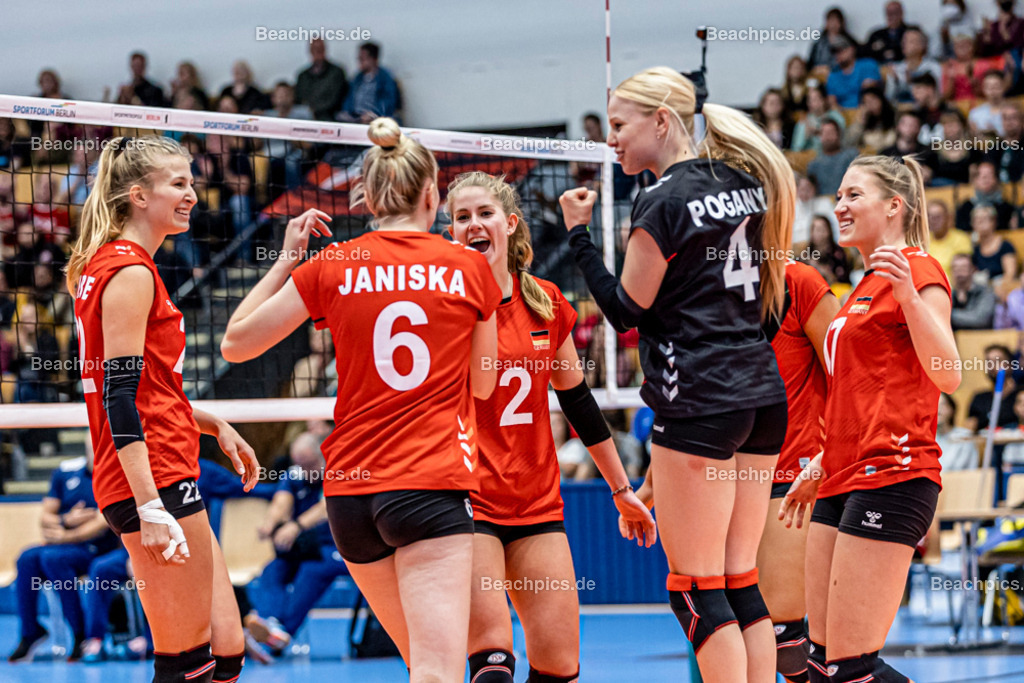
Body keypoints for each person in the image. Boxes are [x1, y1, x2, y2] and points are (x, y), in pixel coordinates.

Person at [220, 117, 502, 682]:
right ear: (433, 194)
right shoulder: (469, 266)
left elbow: (234, 342)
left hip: (349, 495)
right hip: (428, 483)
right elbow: (483, 383)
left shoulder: (337, 263)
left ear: (367, 198)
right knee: (438, 670)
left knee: (418, 663)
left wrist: (286, 259)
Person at [561, 65, 793, 682]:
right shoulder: (746, 182)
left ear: (661, 121)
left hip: (699, 399)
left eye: (618, 125)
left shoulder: (662, 200)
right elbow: (775, 298)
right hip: (762, 396)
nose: (610, 139)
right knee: (739, 576)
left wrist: (578, 237)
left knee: (694, 586)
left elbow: (624, 311)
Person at [446, 171, 655, 683]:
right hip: (467, 501)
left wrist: (621, 488)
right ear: (450, 231)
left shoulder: (544, 300)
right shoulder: (443, 303)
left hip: (536, 502)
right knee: (492, 667)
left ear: (510, 223)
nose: (473, 224)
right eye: (461, 217)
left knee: (559, 667)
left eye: (484, 213)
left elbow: (578, 401)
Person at [67, 134, 261, 683]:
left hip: (168, 462)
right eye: (178, 183)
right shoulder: (128, 274)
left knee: (226, 650)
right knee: (186, 663)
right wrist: (150, 506)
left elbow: (150, 388)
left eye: (192, 183)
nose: (192, 195)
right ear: (137, 195)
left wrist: (215, 423)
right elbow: (119, 397)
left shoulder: (118, 265)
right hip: (151, 476)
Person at [780, 154, 960, 683]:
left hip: (894, 474)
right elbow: (854, 392)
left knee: (850, 669)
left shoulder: (917, 269)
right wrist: (820, 459)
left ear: (894, 206)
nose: (839, 206)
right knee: (818, 664)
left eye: (853, 195)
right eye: (837, 196)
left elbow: (948, 372)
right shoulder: (860, 287)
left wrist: (907, 294)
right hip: (840, 475)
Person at [758, 260, 838, 683]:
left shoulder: (799, 282)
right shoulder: (705, 282)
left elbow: (849, 371)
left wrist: (828, 458)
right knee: (730, 624)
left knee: (782, 634)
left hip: (794, 472)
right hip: (726, 476)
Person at [7, 447, 118, 662]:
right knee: (27, 558)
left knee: (53, 558)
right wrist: (66, 520)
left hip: (97, 550)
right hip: (64, 545)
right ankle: (31, 632)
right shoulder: (66, 472)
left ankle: (79, 633)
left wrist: (65, 535)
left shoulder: (115, 475)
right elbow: (46, 516)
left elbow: (102, 522)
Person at [244, 433, 346, 658]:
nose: (304, 470)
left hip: (336, 549)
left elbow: (324, 507)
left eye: (308, 464)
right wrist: (269, 524)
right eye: (299, 464)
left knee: (312, 571)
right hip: (306, 549)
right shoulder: (294, 475)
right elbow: (282, 501)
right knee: (273, 569)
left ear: (321, 457)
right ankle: (271, 624)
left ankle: (280, 634)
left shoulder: (337, 472)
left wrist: (296, 526)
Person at [339, 42, 402, 123]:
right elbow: (349, 98)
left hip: (375, 118)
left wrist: (375, 114)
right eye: (359, 58)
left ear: (374, 59)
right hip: (356, 117)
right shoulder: (357, 78)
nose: (359, 61)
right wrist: (347, 111)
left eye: (363, 59)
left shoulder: (385, 78)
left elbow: (388, 102)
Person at [966, 344, 1020, 431]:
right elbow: (968, 430)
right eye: (989, 362)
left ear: (1010, 364)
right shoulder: (980, 398)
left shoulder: (1020, 395)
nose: (993, 366)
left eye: (998, 360)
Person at [295, 39, 348, 121]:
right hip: (306, 116)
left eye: (320, 49)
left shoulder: (336, 72)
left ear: (325, 50)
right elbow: (299, 99)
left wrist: (315, 110)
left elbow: (336, 99)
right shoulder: (303, 76)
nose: (318, 52)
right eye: (315, 49)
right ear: (310, 51)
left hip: (329, 116)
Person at [885, 29, 943, 103]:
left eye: (910, 41)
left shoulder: (933, 67)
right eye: (903, 41)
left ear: (921, 46)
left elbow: (937, 94)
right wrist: (895, 82)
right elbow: (889, 98)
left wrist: (910, 83)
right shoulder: (896, 68)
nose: (904, 44)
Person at [955, 160, 1014, 231]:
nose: (985, 178)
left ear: (996, 179)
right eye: (980, 174)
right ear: (975, 180)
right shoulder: (965, 208)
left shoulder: (1006, 208)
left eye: (989, 174)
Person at [805, 120, 859, 197]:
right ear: (820, 137)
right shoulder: (813, 165)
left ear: (838, 135)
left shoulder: (852, 156)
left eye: (831, 133)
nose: (827, 137)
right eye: (824, 133)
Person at [826, 37, 882, 110]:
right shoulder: (832, 76)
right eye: (834, 52)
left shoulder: (868, 65)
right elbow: (832, 102)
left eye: (840, 50)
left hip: (868, 110)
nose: (837, 54)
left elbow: (873, 91)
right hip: (843, 114)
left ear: (851, 49)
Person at [790, 84, 845, 154]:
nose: (811, 103)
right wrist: (806, 136)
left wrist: (819, 132)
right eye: (809, 100)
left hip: (834, 154)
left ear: (823, 100)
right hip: (811, 158)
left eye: (815, 99)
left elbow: (842, 139)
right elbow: (795, 150)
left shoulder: (836, 117)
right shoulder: (804, 122)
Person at [925, 200, 971, 279]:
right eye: (929, 216)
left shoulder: (961, 239)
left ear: (948, 217)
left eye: (938, 217)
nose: (933, 220)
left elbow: (963, 271)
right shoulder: (923, 241)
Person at [949, 253, 996, 329]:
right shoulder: (949, 294)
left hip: (980, 338)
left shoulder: (985, 292)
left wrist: (947, 314)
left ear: (972, 269)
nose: (959, 271)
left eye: (963, 267)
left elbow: (980, 319)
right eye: (955, 268)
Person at [936, 394, 979, 471]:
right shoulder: (926, 439)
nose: (938, 409)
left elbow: (970, 468)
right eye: (934, 405)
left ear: (952, 409)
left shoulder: (965, 436)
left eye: (942, 405)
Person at [969, 69, 1010, 135]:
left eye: (996, 86)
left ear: (1003, 87)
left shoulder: (1013, 113)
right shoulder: (975, 113)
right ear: (983, 89)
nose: (992, 90)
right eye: (988, 86)